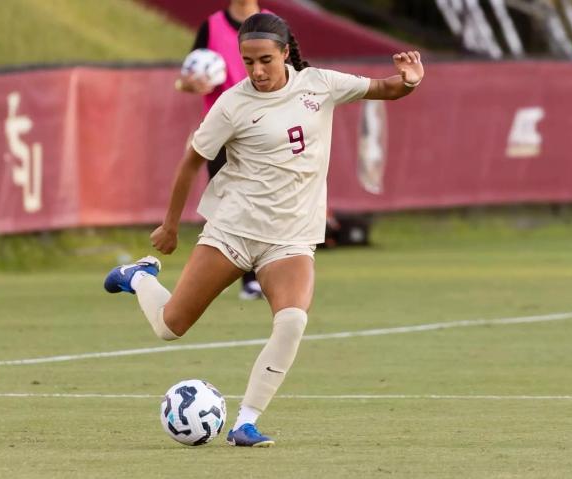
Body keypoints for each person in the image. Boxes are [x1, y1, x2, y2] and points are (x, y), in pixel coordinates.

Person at [104, 13, 424, 447]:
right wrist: (170, 225)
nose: (256, 71)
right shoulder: (232, 104)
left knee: (292, 321)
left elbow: (385, 88)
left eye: (265, 61)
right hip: (233, 232)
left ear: (285, 53)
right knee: (169, 326)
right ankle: (139, 276)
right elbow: (190, 163)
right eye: (247, 61)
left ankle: (245, 422)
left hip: (290, 239)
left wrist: (408, 81)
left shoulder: (319, 85)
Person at [175, 0, 267, 300]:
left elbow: (295, 70)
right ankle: (249, 279)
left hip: (265, 129)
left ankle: (266, 272)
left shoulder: (272, 25)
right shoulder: (211, 26)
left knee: (264, 203)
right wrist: (193, 84)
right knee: (231, 207)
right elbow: (186, 80)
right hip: (221, 132)